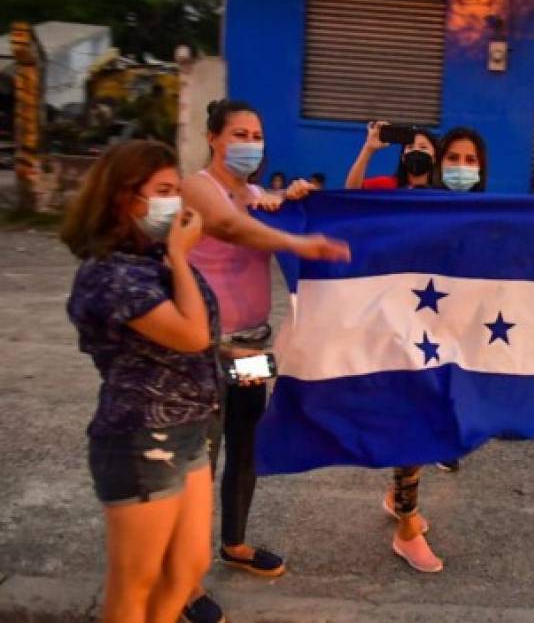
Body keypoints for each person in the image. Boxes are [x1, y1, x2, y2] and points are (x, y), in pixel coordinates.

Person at [180, 99, 349, 619]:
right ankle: (184, 584)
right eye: (239, 133)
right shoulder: (196, 190)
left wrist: (293, 199)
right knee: (197, 467)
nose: (251, 142)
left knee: (246, 448)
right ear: (213, 137)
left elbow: (259, 210)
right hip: (204, 351)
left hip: (253, 348)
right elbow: (233, 229)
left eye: (257, 133)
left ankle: (234, 543)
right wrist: (298, 237)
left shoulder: (254, 194)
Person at [62, 140, 217, 623]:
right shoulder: (111, 275)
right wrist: (180, 254)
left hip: (188, 429)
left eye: (178, 189)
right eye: (164, 191)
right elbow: (191, 335)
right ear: (125, 199)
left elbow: (196, 336)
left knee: (189, 566)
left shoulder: (153, 260)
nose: (178, 202)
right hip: (140, 438)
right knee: (136, 583)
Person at [375, 124, 489, 573]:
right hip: (414, 335)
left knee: (436, 427)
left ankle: (398, 499)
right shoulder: (422, 205)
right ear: (440, 163)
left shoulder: (490, 214)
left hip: (456, 339)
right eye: (454, 159)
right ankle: (406, 530)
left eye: (470, 160)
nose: (461, 167)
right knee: (416, 426)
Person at [345, 121, 440, 190]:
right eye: (410, 147)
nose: (416, 150)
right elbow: (352, 189)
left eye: (423, 147)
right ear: (403, 157)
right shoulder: (387, 185)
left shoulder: (442, 192)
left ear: (434, 157)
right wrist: (368, 148)